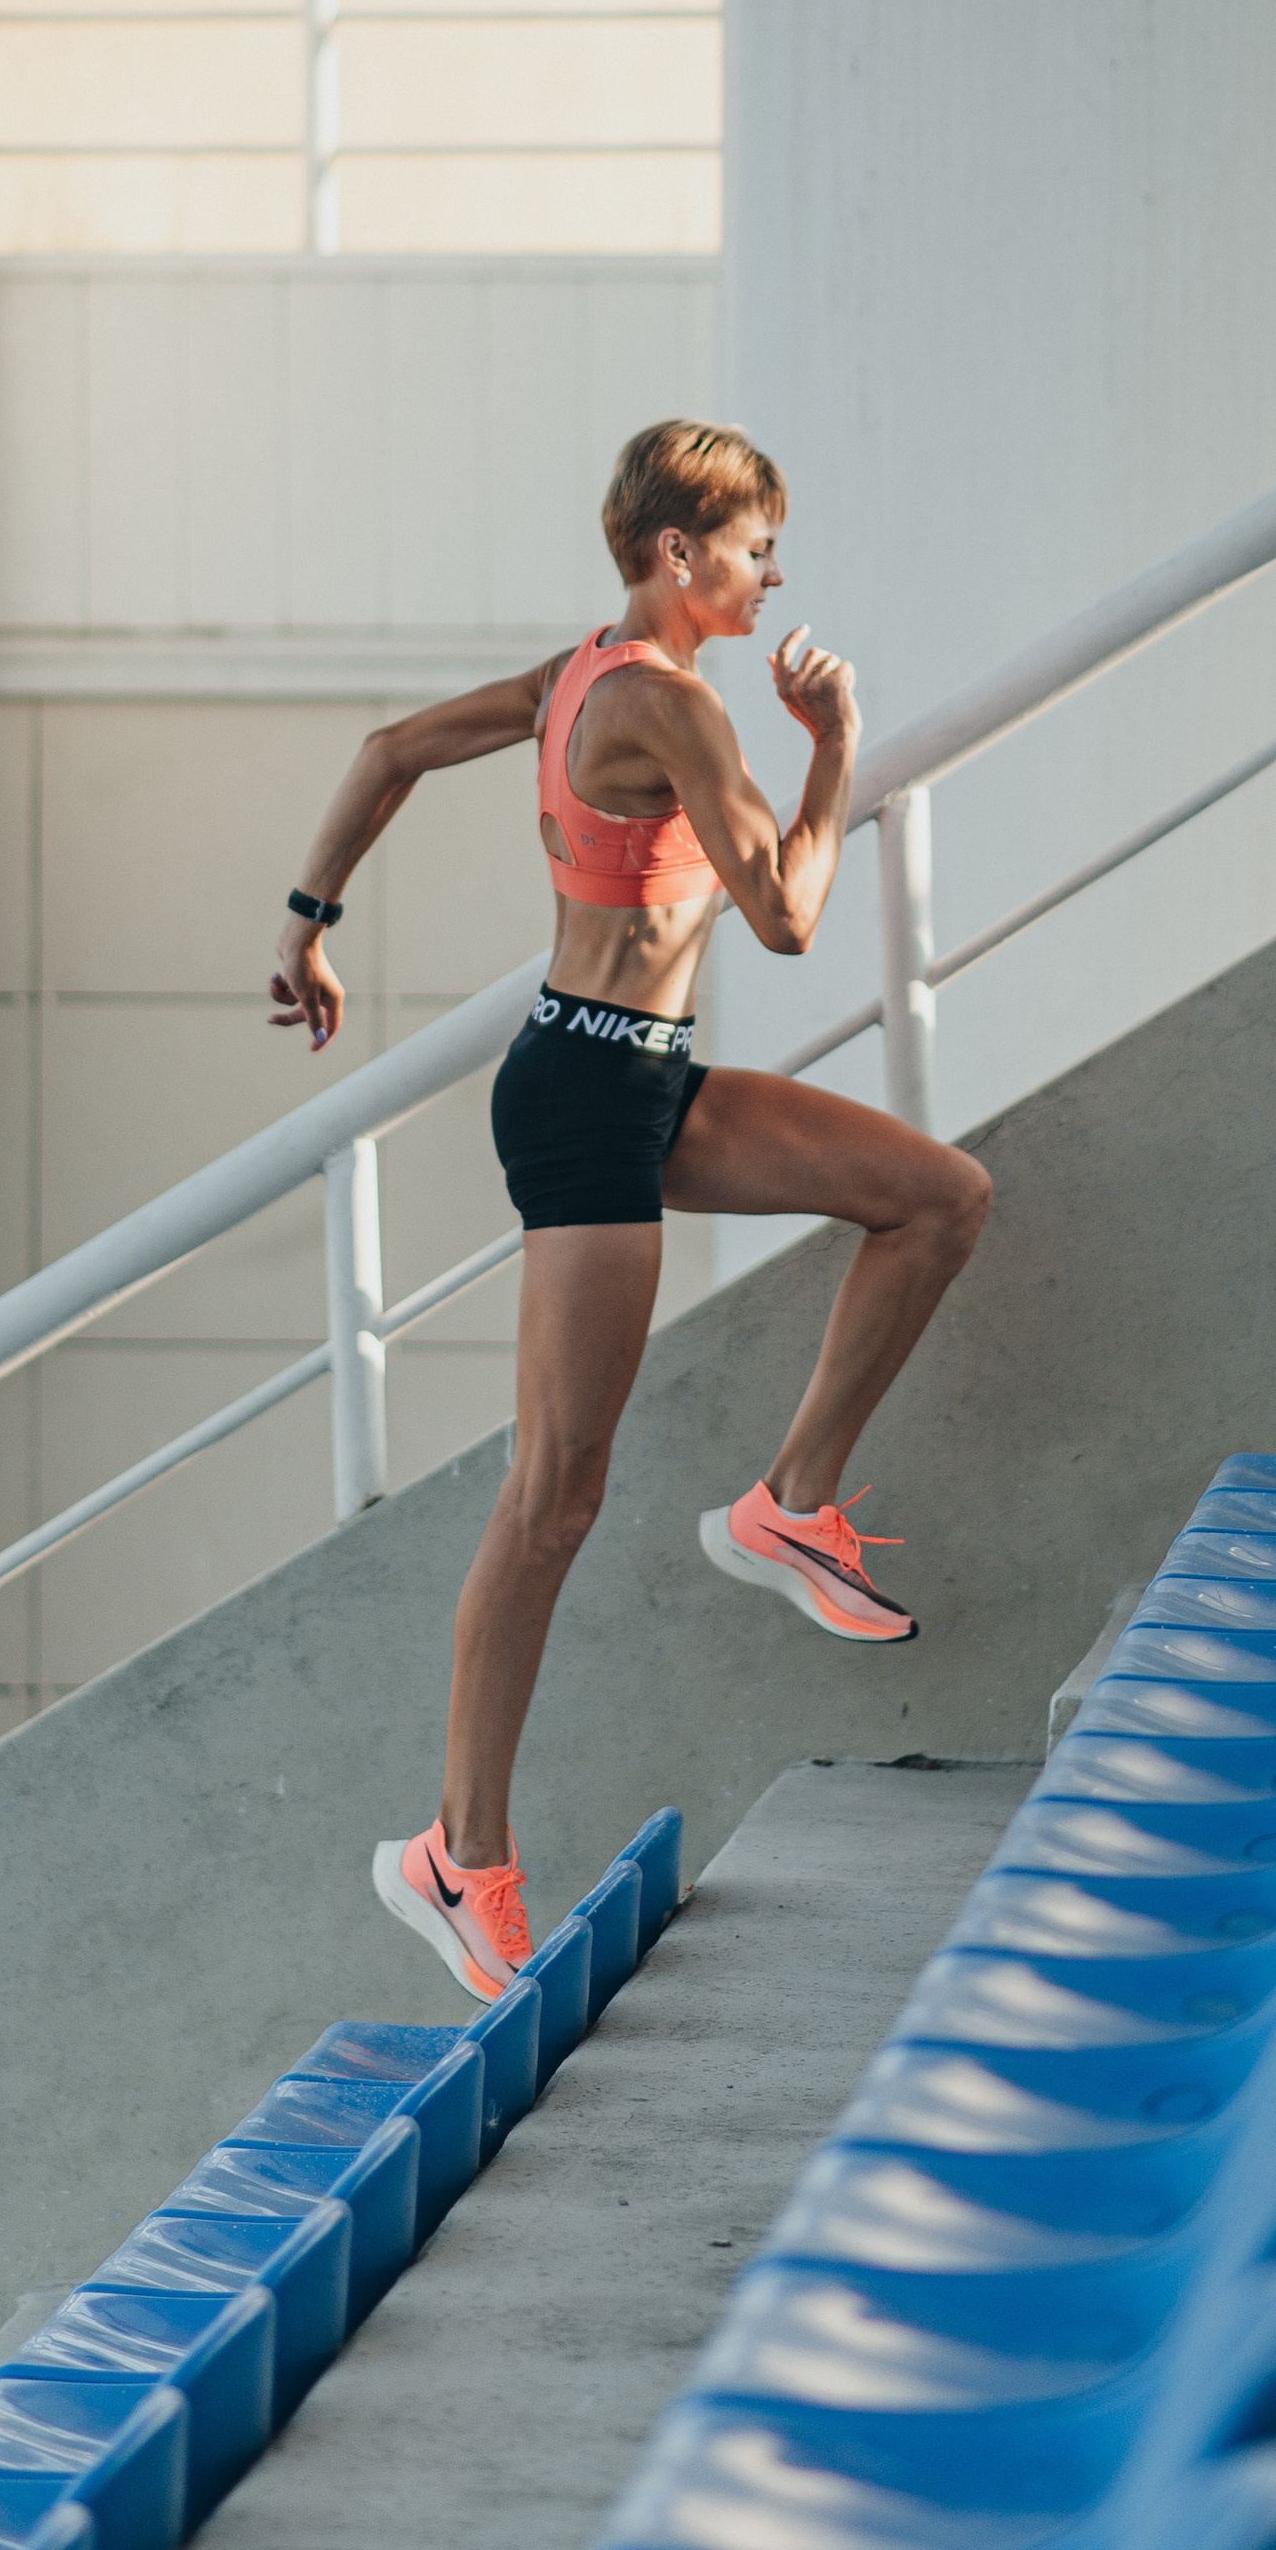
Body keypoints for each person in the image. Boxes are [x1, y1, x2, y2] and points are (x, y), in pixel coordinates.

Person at [266, 418, 992, 2003]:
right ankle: (459, 1852)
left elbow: (389, 746)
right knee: (558, 1491)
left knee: (935, 1197)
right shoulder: (661, 701)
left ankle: (789, 1500)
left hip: (641, 1073)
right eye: (752, 550)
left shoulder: (577, 673)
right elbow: (790, 917)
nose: (773, 573)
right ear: (679, 554)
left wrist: (310, 921)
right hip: (593, 1100)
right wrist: (833, 737)